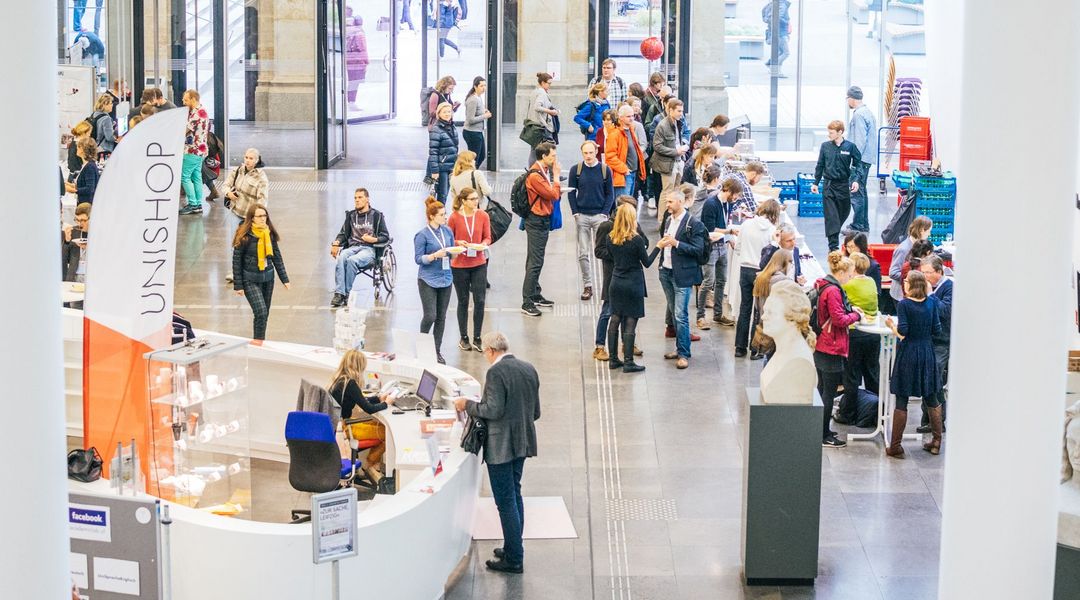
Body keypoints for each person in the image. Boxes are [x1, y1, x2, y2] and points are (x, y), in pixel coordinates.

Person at [453, 332, 540, 574]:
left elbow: (492, 409)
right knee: (515, 492)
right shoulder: (529, 368)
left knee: (505, 502)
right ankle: (514, 546)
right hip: (523, 442)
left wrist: (467, 405)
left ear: (490, 350)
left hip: (501, 445)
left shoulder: (495, 372)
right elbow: (536, 411)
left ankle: (514, 558)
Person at [884, 270, 943, 457]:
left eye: (906, 280)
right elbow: (937, 329)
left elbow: (903, 332)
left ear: (911, 284)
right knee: (932, 396)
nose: (904, 282)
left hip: (908, 353)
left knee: (902, 398)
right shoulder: (932, 303)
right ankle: (936, 441)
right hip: (927, 352)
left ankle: (895, 446)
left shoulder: (904, 305)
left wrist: (891, 327)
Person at [814, 251, 864, 448]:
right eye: (850, 274)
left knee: (822, 390)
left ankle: (819, 429)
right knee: (828, 392)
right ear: (842, 272)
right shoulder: (834, 291)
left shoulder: (823, 285)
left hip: (821, 344)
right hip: (831, 346)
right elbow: (839, 320)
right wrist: (856, 316)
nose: (850, 278)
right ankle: (824, 434)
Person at [605, 204, 660, 373]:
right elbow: (647, 262)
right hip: (633, 283)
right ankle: (628, 361)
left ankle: (613, 359)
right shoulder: (636, 240)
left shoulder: (610, 237)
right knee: (630, 321)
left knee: (614, 319)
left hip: (616, 282)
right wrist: (659, 247)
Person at [328, 349, 396, 483]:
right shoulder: (350, 384)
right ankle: (369, 464)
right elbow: (369, 409)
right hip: (347, 429)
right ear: (359, 366)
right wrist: (387, 403)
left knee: (379, 425)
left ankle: (369, 465)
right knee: (387, 433)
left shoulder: (340, 380)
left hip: (341, 425)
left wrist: (378, 398)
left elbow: (361, 401)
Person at [656, 189, 705, 370]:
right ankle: (679, 348)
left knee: (680, 314)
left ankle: (684, 353)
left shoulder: (694, 224)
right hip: (666, 272)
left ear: (680, 202)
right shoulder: (668, 220)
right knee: (674, 311)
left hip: (682, 275)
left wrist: (677, 244)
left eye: (670, 202)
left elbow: (698, 250)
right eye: (667, 202)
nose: (667, 205)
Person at [593, 195, 644, 360]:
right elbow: (598, 251)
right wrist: (619, 253)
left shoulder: (634, 225)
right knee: (608, 312)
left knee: (627, 312)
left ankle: (627, 343)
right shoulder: (606, 226)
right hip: (613, 275)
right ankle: (599, 346)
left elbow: (645, 243)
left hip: (629, 276)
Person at [834, 251, 880, 426]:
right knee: (872, 374)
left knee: (852, 376)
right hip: (872, 333)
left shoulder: (848, 285)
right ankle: (875, 412)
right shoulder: (871, 282)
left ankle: (848, 413)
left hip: (854, 333)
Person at [232, 205, 290, 340]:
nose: (263, 219)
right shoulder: (244, 235)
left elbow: (277, 257)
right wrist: (238, 285)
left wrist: (285, 279)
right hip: (250, 279)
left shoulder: (269, 234)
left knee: (264, 314)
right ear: (252, 219)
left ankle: (259, 341)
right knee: (261, 311)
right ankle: (258, 343)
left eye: (265, 216)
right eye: (259, 216)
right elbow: (236, 261)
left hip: (268, 278)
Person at [569, 140, 614, 301]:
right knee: (583, 252)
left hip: (599, 217)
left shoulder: (604, 170)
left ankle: (607, 285)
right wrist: (575, 212)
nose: (588, 156)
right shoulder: (576, 170)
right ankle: (588, 285)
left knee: (604, 251)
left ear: (596, 152)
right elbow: (571, 192)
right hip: (582, 215)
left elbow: (610, 193)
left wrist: (604, 213)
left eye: (590, 152)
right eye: (585, 153)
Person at [735, 199, 781, 358]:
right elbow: (772, 256)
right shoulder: (773, 230)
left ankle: (739, 347)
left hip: (745, 269)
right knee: (760, 311)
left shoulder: (746, 224)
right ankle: (755, 349)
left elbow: (738, 247)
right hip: (761, 273)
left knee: (745, 308)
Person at [520, 142, 561, 317]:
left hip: (541, 219)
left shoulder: (541, 171)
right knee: (535, 262)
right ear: (543, 156)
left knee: (536, 259)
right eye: (552, 156)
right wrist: (557, 178)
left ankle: (535, 293)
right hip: (536, 221)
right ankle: (527, 301)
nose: (555, 159)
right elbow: (553, 195)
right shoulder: (536, 175)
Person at [330, 188, 390, 307]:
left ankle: (346, 293)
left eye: (360, 197)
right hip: (352, 247)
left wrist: (373, 240)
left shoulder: (377, 216)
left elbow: (385, 236)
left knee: (352, 260)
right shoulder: (351, 216)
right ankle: (339, 294)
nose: (357, 200)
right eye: (355, 198)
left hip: (368, 249)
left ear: (367, 199)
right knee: (341, 257)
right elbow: (342, 234)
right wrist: (336, 243)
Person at [448, 187, 491, 352]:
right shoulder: (454, 218)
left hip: (479, 262)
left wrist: (484, 244)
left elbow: (487, 236)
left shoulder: (483, 215)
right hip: (459, 265)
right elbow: (449, 239)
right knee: (463, 301)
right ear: (464, 201)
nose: (476, 201)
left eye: (476, 198)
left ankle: (477, 337)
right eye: (472, 199)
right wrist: (458, 243)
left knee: (480, 300)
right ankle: (464, 337)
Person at [810, 120, 863, 251]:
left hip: (843, 186)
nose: (829, 135)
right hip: (829, 186)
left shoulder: (850, 147)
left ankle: (834, 231)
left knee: (844, 212)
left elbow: (858, 165)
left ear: (840, 132)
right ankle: (833, 246)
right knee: (831, 216)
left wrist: (856, 180)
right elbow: (820, 165)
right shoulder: (825, 146)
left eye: (831, 132)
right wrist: (816, 182)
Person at [413, 197, 455, 364]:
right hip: (428, 279)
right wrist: (434, 256)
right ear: (432, 217)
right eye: (442, 215)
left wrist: (456, 250)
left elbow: (450, 251)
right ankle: (422, 345)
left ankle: (436, 350)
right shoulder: (422, 235)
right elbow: (418, 259)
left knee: (441, 317)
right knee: (430, 315)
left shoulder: (447, 232)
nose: (445, 217)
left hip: (446, 278)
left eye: (445, 214)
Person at [221, 148, 269, 283]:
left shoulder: (261, 178)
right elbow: (225, 185)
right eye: (246, 157)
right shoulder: (238, 170)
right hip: (236, 211)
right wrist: (228, 194)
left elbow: (262, 200)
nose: (248, 161)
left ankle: (251, 270)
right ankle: (235, 272)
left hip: (250, 216)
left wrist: (259, 217)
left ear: (257, 160)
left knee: (250, 245)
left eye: (251, 158)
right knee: (236, 242)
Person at [699, 167, 738, 328]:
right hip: (711, 247)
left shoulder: (726, 204)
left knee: (721, 281)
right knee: (708, 282)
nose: (736, 198)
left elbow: (723, 222)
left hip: (722, 245)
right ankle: (700, 316)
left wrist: (728, 238)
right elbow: (710, 228)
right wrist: (730, 231)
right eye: (735, 194)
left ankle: (718, 314)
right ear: (727, 190)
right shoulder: (711, 203)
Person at [918, 255, 952, 434]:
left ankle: (939, 421)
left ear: (939, 271)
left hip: (942, 341)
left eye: (928, 273)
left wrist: (930, 294)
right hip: (927, 339)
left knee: (935, 380)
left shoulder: (949, 288)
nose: (925, 276)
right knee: (927, 379)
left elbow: (945, 311)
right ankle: (928, 420)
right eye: (922, 273)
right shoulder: (929, 286)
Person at [846, 86, 877, 233]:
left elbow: (859, 141)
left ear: (851, 98)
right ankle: (863, 224)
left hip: (860, 159)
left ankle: (857, 226)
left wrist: (853, 161)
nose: (847, 102)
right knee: (862, 191)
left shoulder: (858, 115)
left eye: (847, 99)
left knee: (856, 191)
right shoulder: (868, 112)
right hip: (867, 159)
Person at [179, 89, 211, 215]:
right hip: (201, 150)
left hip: (192, 150)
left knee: (185, 176)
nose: (183, 102)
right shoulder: (202, 111)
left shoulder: (196, 114)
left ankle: (193, 204)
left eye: (186, 100)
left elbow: (184, 130)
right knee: (196, 176)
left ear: (193, 99)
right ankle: (198, 204)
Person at [650, 98, 690, 198]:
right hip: (667, 164)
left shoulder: (679, 122)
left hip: (679, 161)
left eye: (682, 111)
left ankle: (672, 213)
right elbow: (657, 146)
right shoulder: (662, 125)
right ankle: (662, 214)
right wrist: (676, 151)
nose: (681, 114)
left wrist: (683, 145)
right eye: (679, 111)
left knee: (676, 192)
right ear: (671, 110)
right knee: (667, 193)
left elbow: (684, 135)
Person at [889, 216, 933, 304]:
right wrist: (913, 279)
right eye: (929, 231)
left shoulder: (920, 245)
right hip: (900, 296)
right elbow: (893, 272)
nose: (929, 234)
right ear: (921, 230)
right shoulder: (903, 249)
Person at [604, 105, 646, 199]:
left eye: (632, 116)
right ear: (621, 117)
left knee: (628, 204)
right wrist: (625, 169)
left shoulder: (630, 130)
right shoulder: (615, 134)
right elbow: (610, 157)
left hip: (632, 173)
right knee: (623, 205)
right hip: (623, 175)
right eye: (628, 116)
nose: (631, 118)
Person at [427, 102, 459, 204]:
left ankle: (440, 213)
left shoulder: (451, 126)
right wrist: (435, 171)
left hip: (450, 166)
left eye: (449, 111)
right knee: (442, 193)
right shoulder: (436, 129)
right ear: (439, 113)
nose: (447, 114)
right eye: (444, 112)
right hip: (441, 167)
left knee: (445, 193)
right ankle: (439, 215)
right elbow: (433, 152)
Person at [526, 72, 558, 163]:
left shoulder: (535, 91)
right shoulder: (542, 93)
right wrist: (551, 111)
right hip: (542, 126)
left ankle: (532, 172)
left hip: (535, 125)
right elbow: (537, 107)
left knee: (534, 151)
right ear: (543, 83)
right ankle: (552, 175)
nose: (550, 85)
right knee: (550, 149)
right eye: (549, 83)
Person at [462, 77, 491, 167]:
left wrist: (484, 110)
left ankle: (472, 173)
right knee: (474, 158)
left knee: (481, 156)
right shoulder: (473, 99)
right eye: (481, 86)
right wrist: (485, 116)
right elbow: (470, 120)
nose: (484, 88)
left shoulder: (478, 97)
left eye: (485, 85)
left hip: (477, 132)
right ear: (475, 86)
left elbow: (477, 111)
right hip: (472, 133)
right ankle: (471, 175)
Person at [62, 203, 92, 283]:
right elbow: (63, 261)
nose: (79, 224)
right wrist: (66, 242)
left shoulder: (100, 235)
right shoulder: (73, 232)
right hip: (73, 279)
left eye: (83, 221)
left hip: (92, 280)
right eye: (77, 220)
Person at [64, 138, 99, 205]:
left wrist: (73, 190)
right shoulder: (86, 164)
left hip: (86, 205)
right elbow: (83, 185)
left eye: (78, 147)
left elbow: (90, 189)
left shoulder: (90, 167)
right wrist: (68, 184)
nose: (76, 148)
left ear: (83, 149)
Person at [762, 0, 792, 73]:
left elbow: (764, 15)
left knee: (780, 51)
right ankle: (774, 68)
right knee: (785, 53)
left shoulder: (770, 4)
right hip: (780, 32)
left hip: (774, 31)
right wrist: (787, 23)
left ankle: (772, 65)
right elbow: (777, 18)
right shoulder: (782, 5)